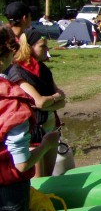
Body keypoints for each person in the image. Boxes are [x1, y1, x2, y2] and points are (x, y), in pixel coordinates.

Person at [0, 25, 60, 211]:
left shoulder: (41, 70)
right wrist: (45, 144)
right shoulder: (12, 101)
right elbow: (22, 165)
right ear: (8, 54)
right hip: (8, 190)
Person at [8, 29, 65, 177]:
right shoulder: (17, 71)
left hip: (51, 127)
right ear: (29, 47)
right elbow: (39, 102)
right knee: (37, 181)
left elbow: (62, 101)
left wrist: (51, 100)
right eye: (42, 46)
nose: (47, 49)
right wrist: (55, 97)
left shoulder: (43, 69)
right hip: (34, 133)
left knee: (48, 176)